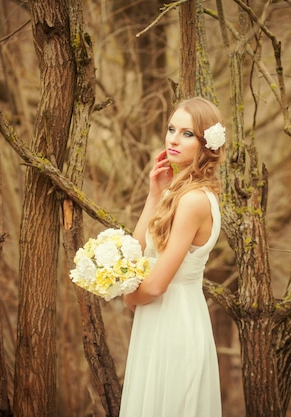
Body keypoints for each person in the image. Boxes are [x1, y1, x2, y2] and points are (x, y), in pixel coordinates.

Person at [120, 97, 225, 417]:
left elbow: (154, 287)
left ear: (207, 145)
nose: (174, 140)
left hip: (175, 324)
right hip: (155, 323)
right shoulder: (173, 194)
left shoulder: (194, 201)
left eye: (187, 134)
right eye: (171, 129)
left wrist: (128, 297)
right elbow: (136, 253)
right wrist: (154, 194)